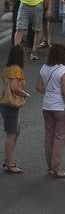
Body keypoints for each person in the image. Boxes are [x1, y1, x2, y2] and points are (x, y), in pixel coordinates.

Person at [36, 44, 65, 178]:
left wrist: (50, 92)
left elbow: (39, 87)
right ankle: (56, 167)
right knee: (59, 137)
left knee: (49, 136)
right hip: (59, 107)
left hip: (46, 106)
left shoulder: (44, 68)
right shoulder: (63, 70)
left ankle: (50, 166)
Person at [0, 45, 28, 173]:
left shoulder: (7, 68)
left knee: (15, 131)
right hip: (10, 105)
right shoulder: (16, 69)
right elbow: (14, 87)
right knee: (12, 134)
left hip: (4, 104)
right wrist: (25, 94)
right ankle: (9, 164)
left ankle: (8, 160)